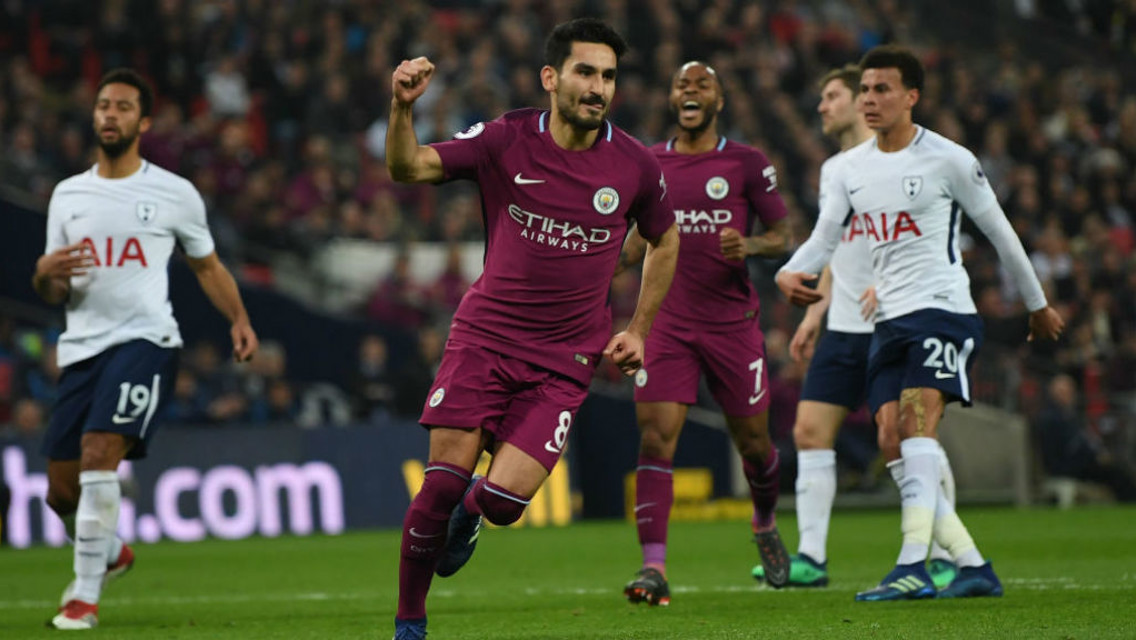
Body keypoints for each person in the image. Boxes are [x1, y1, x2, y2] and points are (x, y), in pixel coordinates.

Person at [386, 18, 679, 640]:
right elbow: (409, 168)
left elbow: (665, 237)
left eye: (608, 76)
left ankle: (472, 516)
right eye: (585, 72)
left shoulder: (635, 165)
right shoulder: (506, 138)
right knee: (437, 486)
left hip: (563, 363)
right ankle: (409, 624)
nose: (598, 87)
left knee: (501, 502)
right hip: (485, 340)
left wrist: (640, 328)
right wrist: (401, 109)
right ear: (551, 77)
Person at [775, 46, 1064, 602]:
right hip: (887, 321)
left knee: (916, 424)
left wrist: (1036, 303)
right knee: (890, 437)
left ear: (912, 96)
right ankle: (973, 564)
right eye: (864, 90)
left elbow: (1000, 232)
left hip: (942, 309)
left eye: (882, 90)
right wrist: (793, 272)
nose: (869, 99)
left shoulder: (949, 159)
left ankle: (913, 564)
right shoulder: (846, 171)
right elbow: (825, 238)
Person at [33, 68, 258, 630]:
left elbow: (207, 265)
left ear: (144, 121)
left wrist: (239, 318)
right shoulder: (68, 195)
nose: (110, 114)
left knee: (97, 456)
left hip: (147, 340)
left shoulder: (173, 193)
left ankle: (82, 598)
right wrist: (43, 273)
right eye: (104, 105)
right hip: (82, 346)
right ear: (95, 116)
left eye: (124, 107)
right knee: (61, 492)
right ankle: (110, 551)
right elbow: (55, 287)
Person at [752, 65, 959, 590]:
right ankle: (811, 559)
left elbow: (930, 237)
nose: (822, 106)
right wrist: (816, 312)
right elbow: (831, 248)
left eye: (832, 96)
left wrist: (890, 286)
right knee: (808, 432)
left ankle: (943, 552)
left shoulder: (901, 163)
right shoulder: (839, 169)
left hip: (894, 321)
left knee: (906, 439)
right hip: (843, 325)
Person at [614, 61, 791, 605]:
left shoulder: (746, 162)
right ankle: (653, 568)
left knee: (756, 446)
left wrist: (752, 245)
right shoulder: (648, 162)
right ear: (671, 99)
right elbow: (633, 244)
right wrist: (624, 253)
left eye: (702, 85)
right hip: (664, 325)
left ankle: (763, 521)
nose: (690, 92)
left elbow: (782, 233)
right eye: (681, 86)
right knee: (654, 438)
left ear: (719, 100)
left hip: (732, 327)